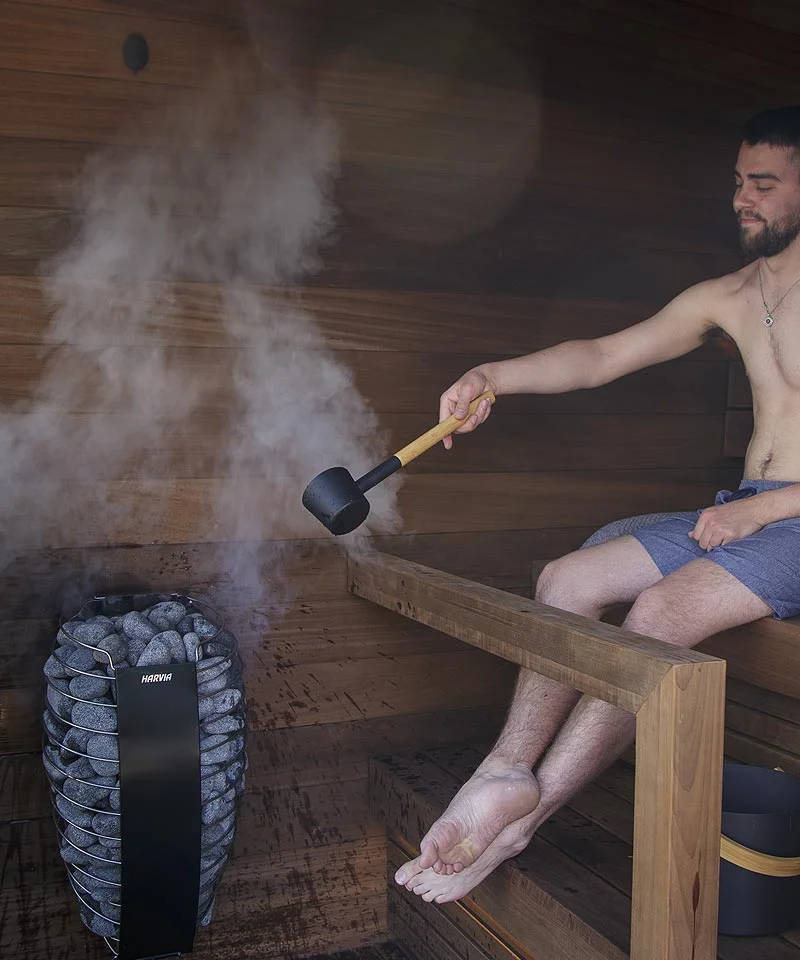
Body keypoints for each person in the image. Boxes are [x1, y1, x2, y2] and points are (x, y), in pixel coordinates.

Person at [395, 105, 800, 904]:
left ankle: (520, 825)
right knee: (568, 581)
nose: (741, 201)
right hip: (747, 506)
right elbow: (604, 355)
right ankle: (505, 772)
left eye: (763, 184)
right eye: (737, 183)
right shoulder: (730, 295)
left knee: (657, 617)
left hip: (787, 520)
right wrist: (494, 376)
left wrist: (760, 514)